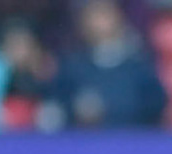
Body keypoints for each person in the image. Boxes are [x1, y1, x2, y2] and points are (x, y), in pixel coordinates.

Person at [51, 0, 165, 128]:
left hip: (130, 142)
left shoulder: (139, 66)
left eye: (104, 14)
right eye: (93, 15)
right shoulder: (71, 67)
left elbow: (155, 107)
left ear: (119, 18)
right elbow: (56, 107)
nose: (99, 22)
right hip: (82, 143)